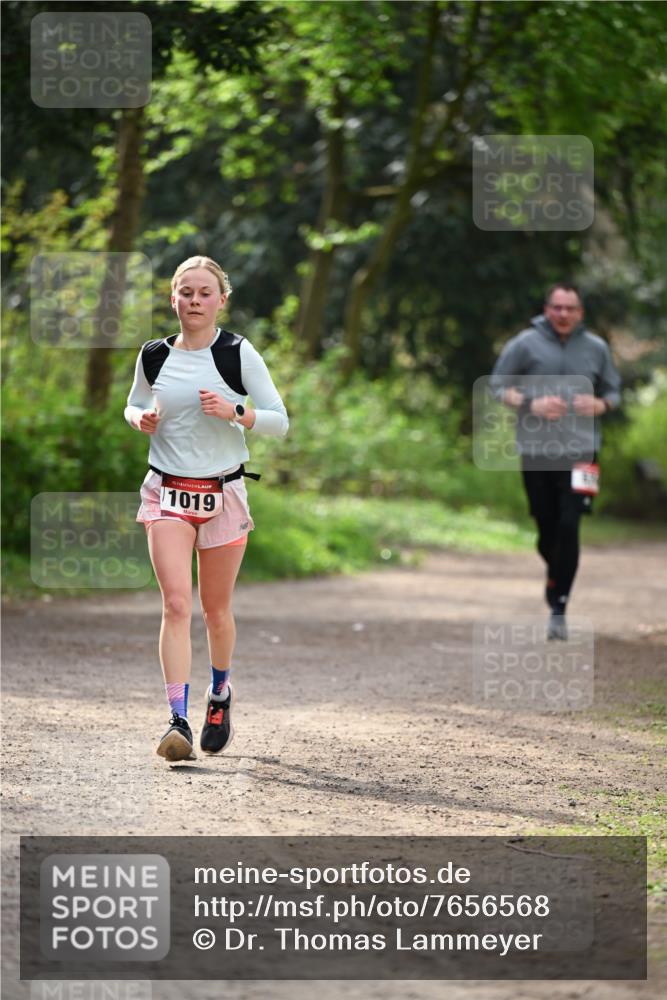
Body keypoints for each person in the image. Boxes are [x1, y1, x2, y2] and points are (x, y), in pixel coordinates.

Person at [125, 256, 288, 761]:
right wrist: (141, 419)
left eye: (204, 293)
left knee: (215, 611)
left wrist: (235, 411)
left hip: (223, 492)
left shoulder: (237, 352)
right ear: (172, 298)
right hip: (166, 490)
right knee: (176, 604)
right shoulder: (153, 354)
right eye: (186, 292)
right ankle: (177, 719)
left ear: (221, 299)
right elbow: (132, 402)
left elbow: (279, 420)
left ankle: (220, 693)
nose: (194, 301)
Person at [490, 283, 621, 639]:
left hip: (584, 451)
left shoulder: (596, 348)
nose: (563, 314)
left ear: (581, 313)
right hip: (535, 451)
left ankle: (559, 605)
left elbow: (613, 391)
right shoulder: (523, 344)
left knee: (570, 522)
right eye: (557, 308)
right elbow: (498, 386)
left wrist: (601, 405)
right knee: (547, 527)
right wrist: (530, 403)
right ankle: (558, 575)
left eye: (571, 309)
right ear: (547, 309)